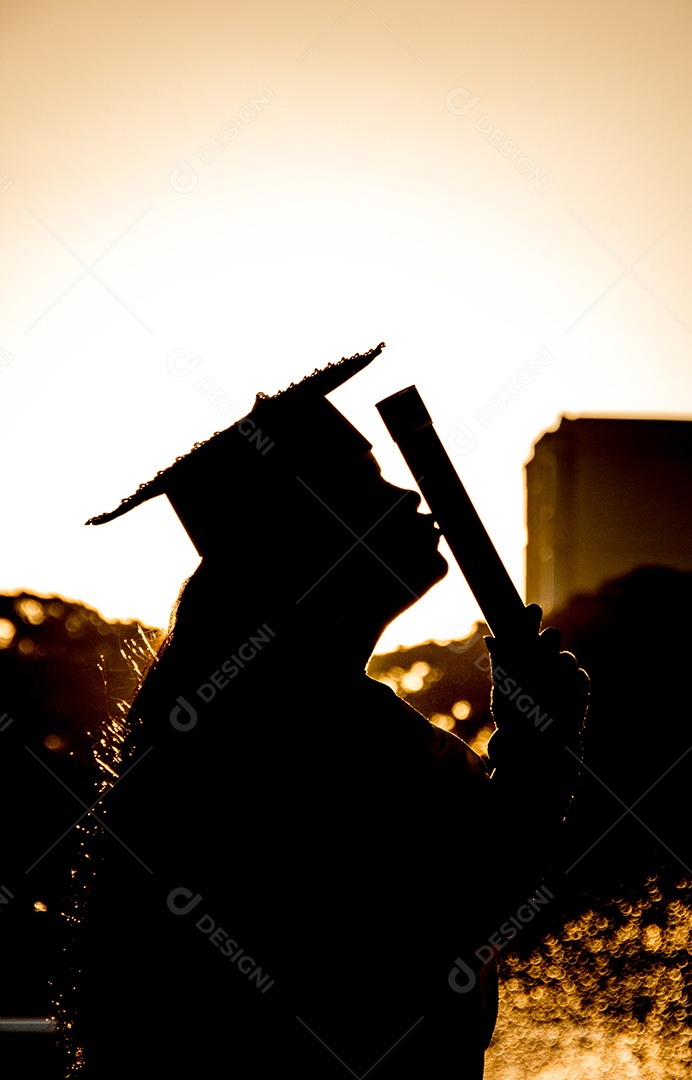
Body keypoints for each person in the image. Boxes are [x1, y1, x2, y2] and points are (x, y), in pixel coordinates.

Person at [68, 343, 588, 1077]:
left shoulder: (272, 710)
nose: (411, 498)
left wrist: (539, 744)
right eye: (368, 483)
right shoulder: (291, 729)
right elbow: (463, 904)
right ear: (303, 540)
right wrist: (542, 748)